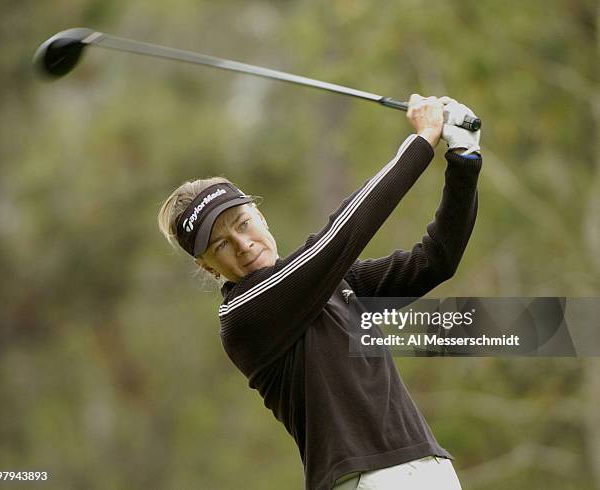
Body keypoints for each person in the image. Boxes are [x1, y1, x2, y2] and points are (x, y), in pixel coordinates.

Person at [157, 94, 482, 489]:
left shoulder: (330, 285)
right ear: (207, 267)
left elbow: (435, 260)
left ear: (260, 215)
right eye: (221, 244)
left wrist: (464, 158)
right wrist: (422, 141)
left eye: (242, 223)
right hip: (365, 480)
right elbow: (339, 236)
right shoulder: (244, 316)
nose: (242, 243)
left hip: (425, 466)